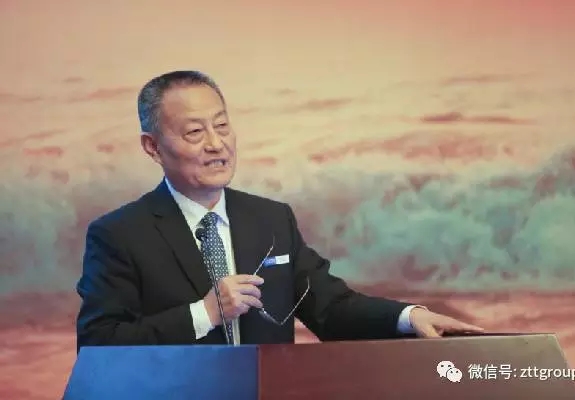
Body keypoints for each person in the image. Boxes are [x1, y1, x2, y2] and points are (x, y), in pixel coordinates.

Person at [75, 70, 483, 350]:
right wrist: (204, 314)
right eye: (195, 132)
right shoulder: (120, 234)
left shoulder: (270, 220)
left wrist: (409, 317)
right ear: (152, 147)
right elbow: (99, 343)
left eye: (222, 125)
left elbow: (331, 309)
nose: (216, 144)